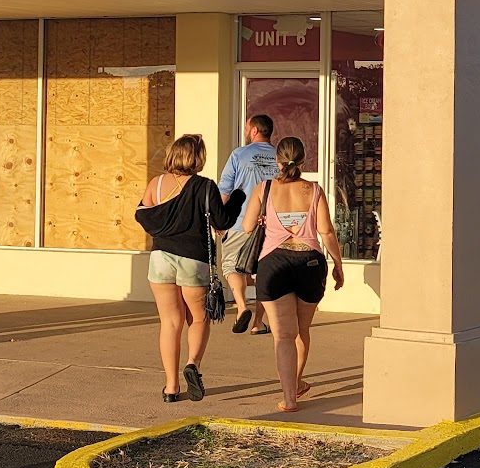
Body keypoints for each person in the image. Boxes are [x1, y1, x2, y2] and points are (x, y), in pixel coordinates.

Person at [240, 136, 346, 412]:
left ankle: (290, 398)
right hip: (309, 263)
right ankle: (297, 381)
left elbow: (248, 227)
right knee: (301, 330)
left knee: (283, 336)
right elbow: (326, 231)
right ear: (303, 161)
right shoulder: (314, 190)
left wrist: (266, 219)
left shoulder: (264, 189)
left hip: (273, 264)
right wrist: (338, 264)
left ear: (277, 161)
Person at [135, 134, 244, 403]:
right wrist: (238, 197)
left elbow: (142, 214)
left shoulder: (156, 183)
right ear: (198, 158)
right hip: (194, 260)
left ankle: (171, 387)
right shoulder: (205, 186)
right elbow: (222, 220)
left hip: (160, 258)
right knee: (197, 317)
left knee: (170, 322)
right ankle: (193, 364)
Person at [217, 113, 278, 334]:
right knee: (264, 273)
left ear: (254, 130)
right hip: (271, 227)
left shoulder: (239, 155)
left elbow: (224, 191)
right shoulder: (280, 156)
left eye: (246, 127)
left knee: (232, 266)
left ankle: (242, 307)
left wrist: (219, 218)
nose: (245, 131)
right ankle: (258, 322)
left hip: (239, 222)